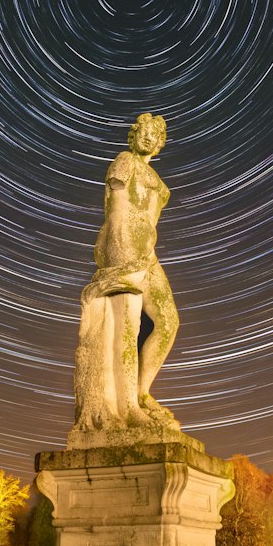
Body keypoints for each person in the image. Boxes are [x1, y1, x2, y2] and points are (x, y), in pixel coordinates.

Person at [77, 112, 179, 428]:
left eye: (156, 134)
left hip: (147, 251)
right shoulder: (124, 161)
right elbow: (117, 208)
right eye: (144, 132)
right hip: (125, 246)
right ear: (134, 137)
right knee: (126, 323)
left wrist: (143, 252)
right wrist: (122, 255)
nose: (150, 137)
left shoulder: (156, 178)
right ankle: (128, 405)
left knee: (168, 321)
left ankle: (141, 391)